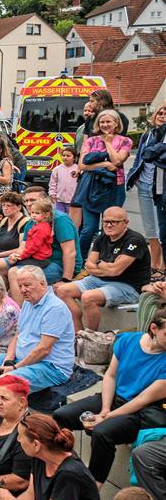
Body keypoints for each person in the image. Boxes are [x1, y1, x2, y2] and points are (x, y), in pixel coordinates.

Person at [53, 309, 166, 486]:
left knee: (102, 432)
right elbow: (110, 376)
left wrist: (106, 417)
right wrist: (105, 408)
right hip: (113, 398)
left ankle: (94, 485)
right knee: (61, 415)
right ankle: (62, 466)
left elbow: (143, 399)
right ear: (154, 328)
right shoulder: (128, 340)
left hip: (139, 412)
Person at [0, 266, 75, 406]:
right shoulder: (28, 303)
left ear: (42, 283)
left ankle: (7, 423)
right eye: (20, 286)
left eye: (27, 285)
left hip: (51, 366)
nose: (23, 289)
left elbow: (43, 349)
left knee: (5, 381)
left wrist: (16, 367)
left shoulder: (55, 308)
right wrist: (9, 360)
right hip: (22, 358)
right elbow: (17, 336)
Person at [57, 206, 151, 331]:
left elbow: (116, 271)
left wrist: (101, 266)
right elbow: (89, 265)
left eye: (115, 222)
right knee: (62, 290)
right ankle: (78, 331)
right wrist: (105, 266)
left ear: (126, 223)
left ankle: (90, 335)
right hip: (99, 280)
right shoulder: (102, 237)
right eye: (106, 221)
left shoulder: (134, 240)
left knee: (88, 297)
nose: (109, 225)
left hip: (128, 286)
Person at [76, 109, 133, 259]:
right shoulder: (91, 141)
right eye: (102, 122)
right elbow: (82, 165)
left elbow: (118, 161)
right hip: (91, 188)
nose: (105, 125)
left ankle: (105, 259)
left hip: (115, 187)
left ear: (116, 123)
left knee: (111, 227)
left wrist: (108, 143)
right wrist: (105, 165)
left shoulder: (124, 141)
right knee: (89, 229)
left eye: (108, 121)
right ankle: (80, 262)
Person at [127, 103, 166, 279]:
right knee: (150, 229)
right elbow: (142, 158)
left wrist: (154, 152)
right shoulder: (147, 135)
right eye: (160, 112)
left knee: (163, 228)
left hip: (162, 187)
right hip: (144, 185)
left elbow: (155, 156)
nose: (162, 115)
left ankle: (163, 266)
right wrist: (132, 177)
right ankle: (154, 265)